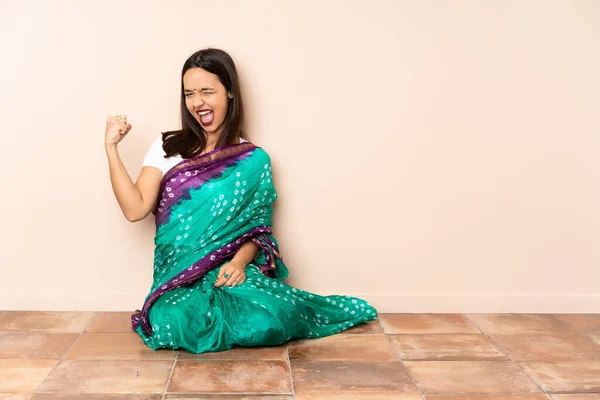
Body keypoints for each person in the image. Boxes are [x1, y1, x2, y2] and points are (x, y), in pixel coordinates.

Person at [104, 48, 378, 353]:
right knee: (172, 323)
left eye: (207, 91)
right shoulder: (167, 146)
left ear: (230, 92)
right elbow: (135, 208)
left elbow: (256, 229)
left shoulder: (253, 160)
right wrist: (111, 148)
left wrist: (237, 263)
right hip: (177, 278)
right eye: (189, 93)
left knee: (271, 321)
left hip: (228, 272)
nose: (198, 102)